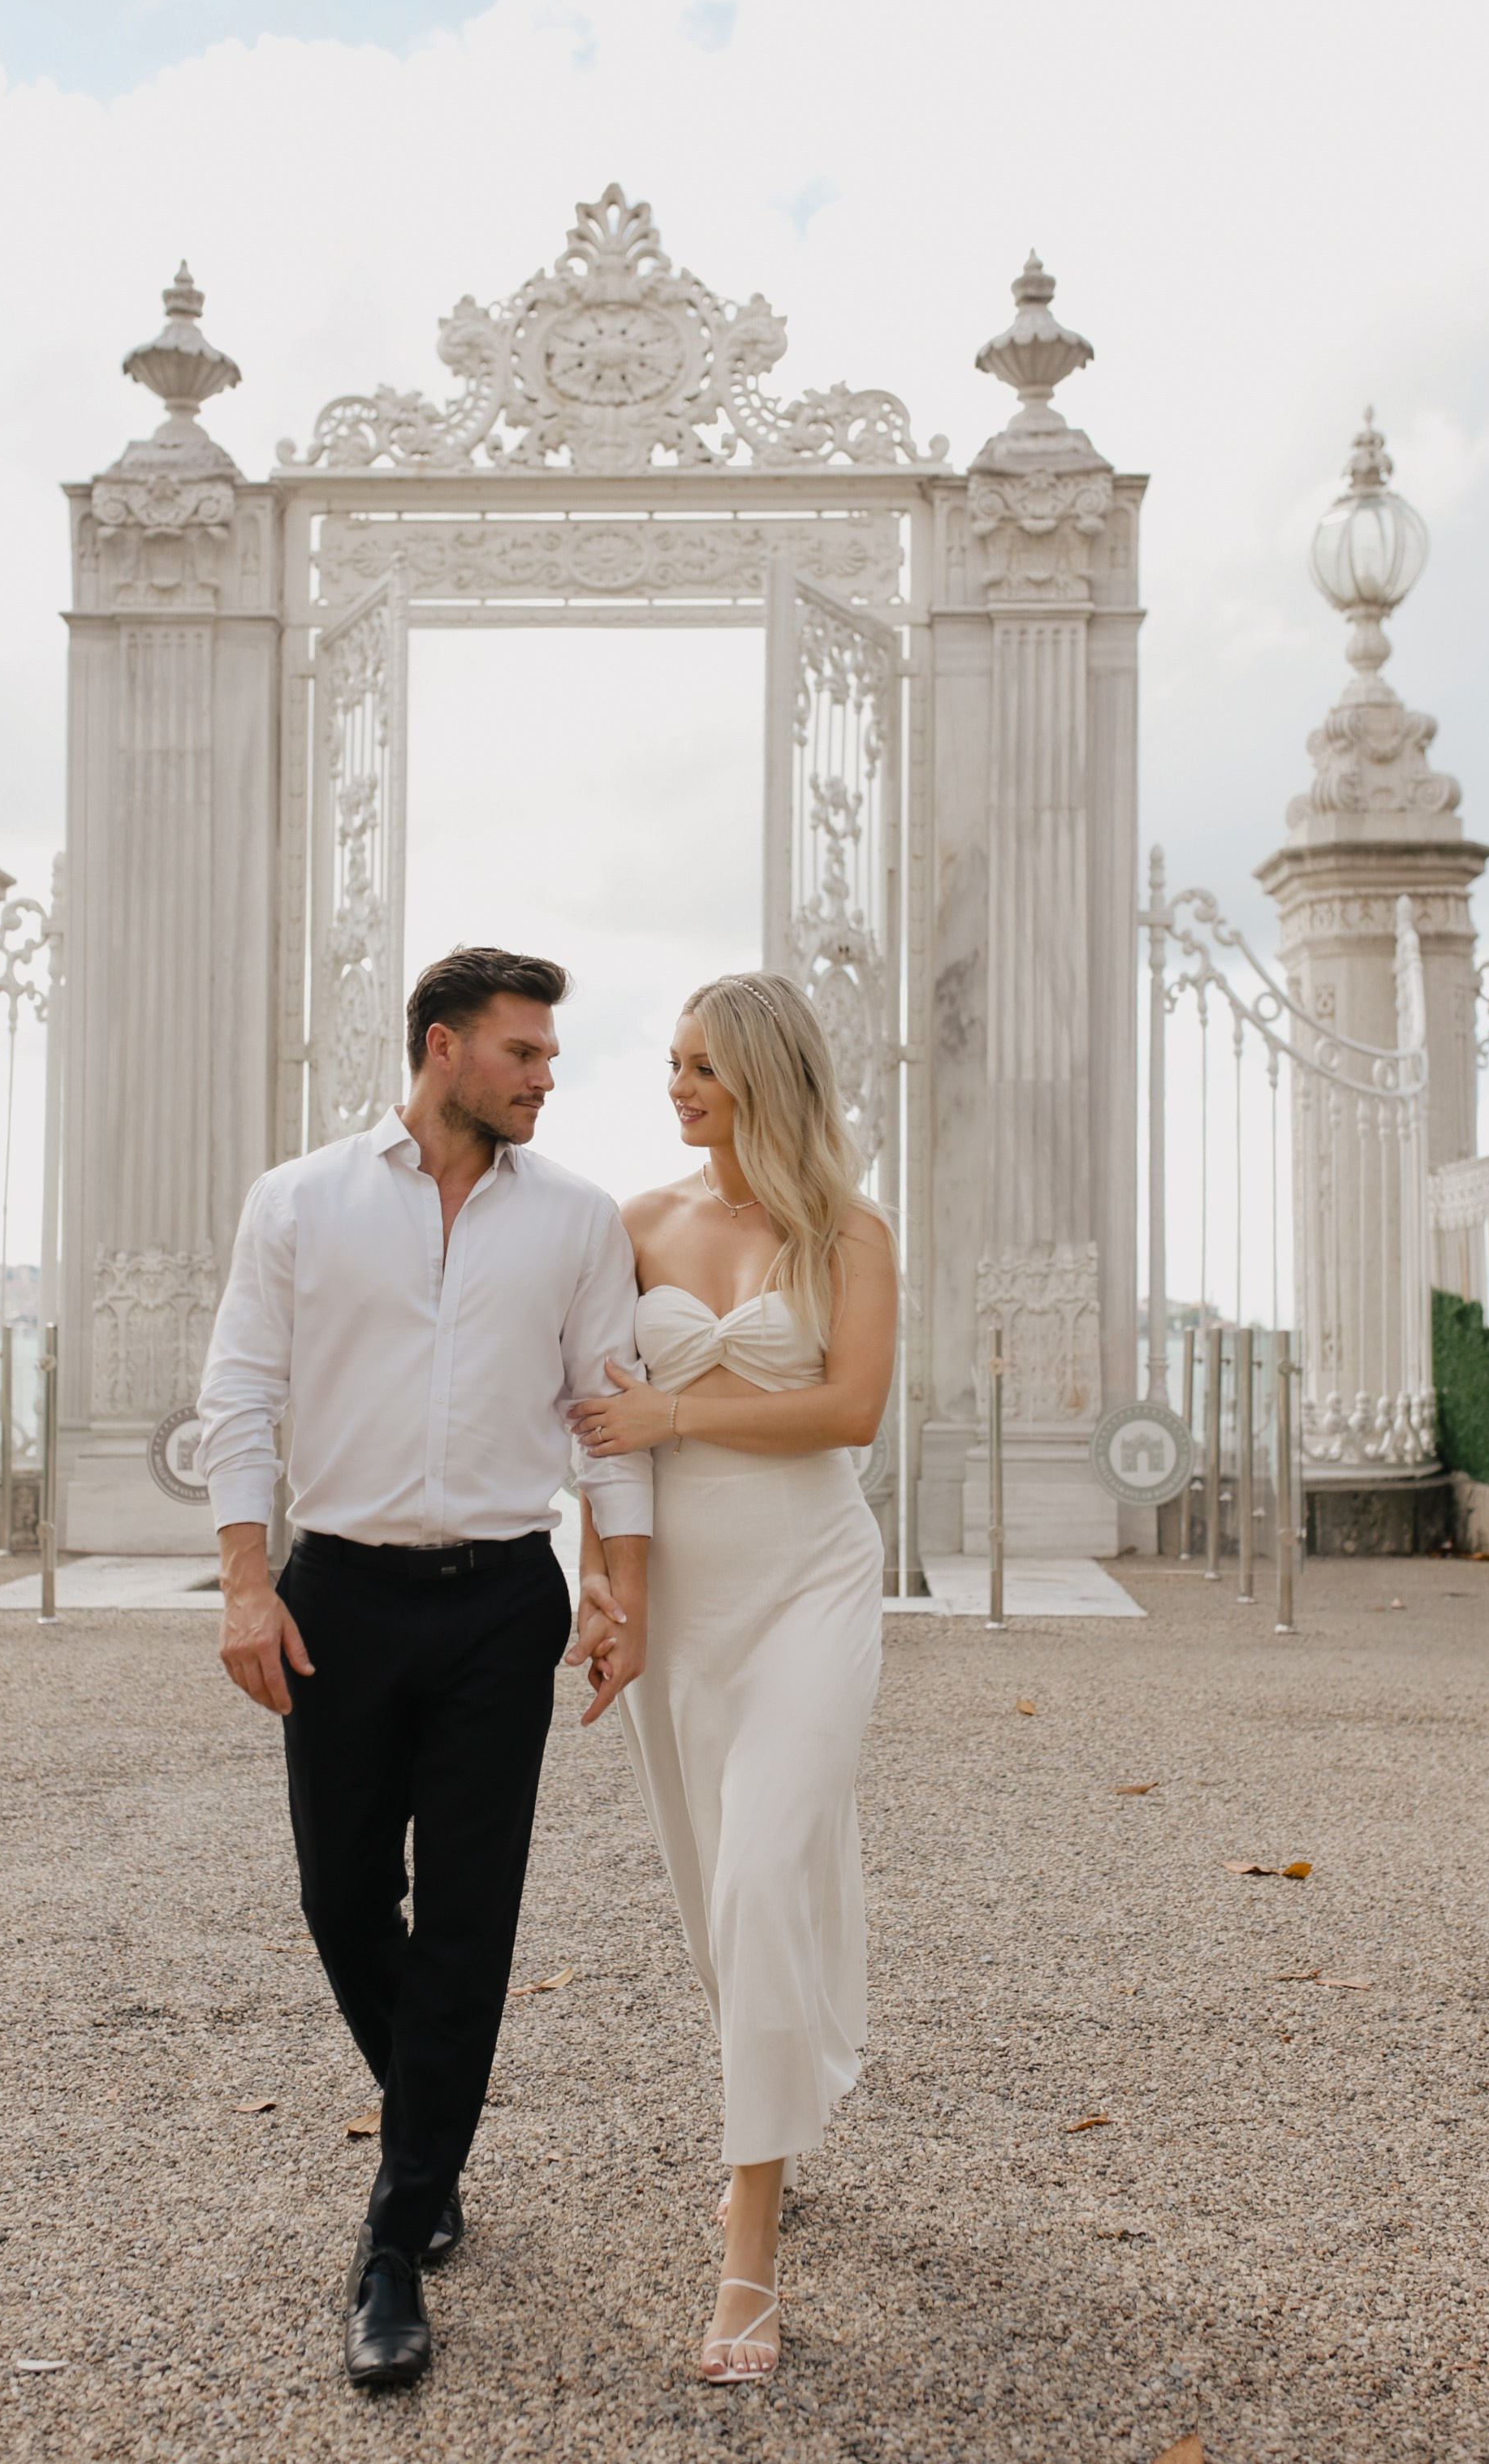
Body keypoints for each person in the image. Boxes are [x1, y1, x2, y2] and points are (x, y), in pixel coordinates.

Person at [195, 947, 651, 2392]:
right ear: (444, 1049)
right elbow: (243, 1391)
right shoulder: (300, 1200)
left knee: (471, 1908)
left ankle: (394, 2239)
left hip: (502, 1601)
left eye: (550, 1054)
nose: (547, 1076)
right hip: (339, 1589)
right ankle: (433, 2127)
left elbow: (606, 1413)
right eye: (524, 1052)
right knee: (340, 1890)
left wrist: (616, 1583)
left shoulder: (577, 1218)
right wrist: (244, 1584)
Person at [566, 972, 896, 2384]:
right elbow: (599, 1434)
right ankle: (780, 2099)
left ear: (765, 1075)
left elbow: (850, 1406)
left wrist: (677, 1405)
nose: (678, 1088)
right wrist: (607, 1586)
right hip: (682, 1605)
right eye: (675, 1066)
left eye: (703, 1066)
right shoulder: (631, 1227)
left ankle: (746, 2257)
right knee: (720, 1900)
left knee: (763, 1876)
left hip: (812, 1583)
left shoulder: (847, 1232)